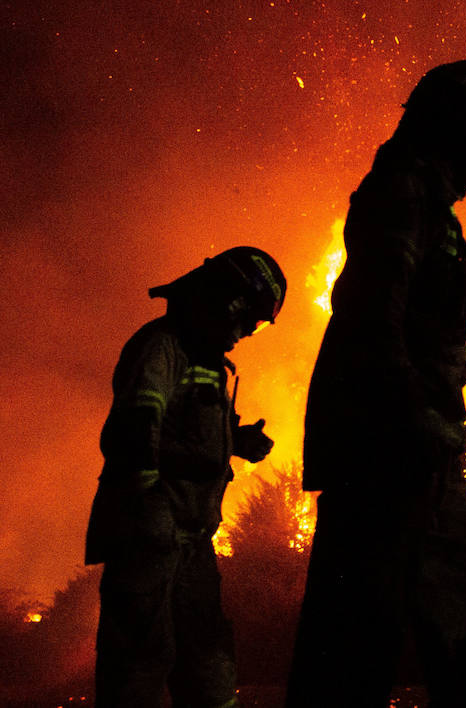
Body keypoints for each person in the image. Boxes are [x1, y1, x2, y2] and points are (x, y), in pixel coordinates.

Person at [288, 61, 466, 707]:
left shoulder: (423, 201)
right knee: (359, 632)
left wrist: (454, 294)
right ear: (455, 125)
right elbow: (370, 315)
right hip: (388, 448)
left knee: (458, 624)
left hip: (415, 448)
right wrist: (415, 414)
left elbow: (399, 301)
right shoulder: (403, 190)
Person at [86, 246, 285, 708]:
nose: (245, 334)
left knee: (210, 668)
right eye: (248, 320)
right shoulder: (161, 347)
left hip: (192, 543)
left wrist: (236, 439)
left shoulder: (206, 360)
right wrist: (151, 516)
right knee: (137, 671)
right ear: (226, 299)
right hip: (148, 542)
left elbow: (183, 430)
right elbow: (134, 430)